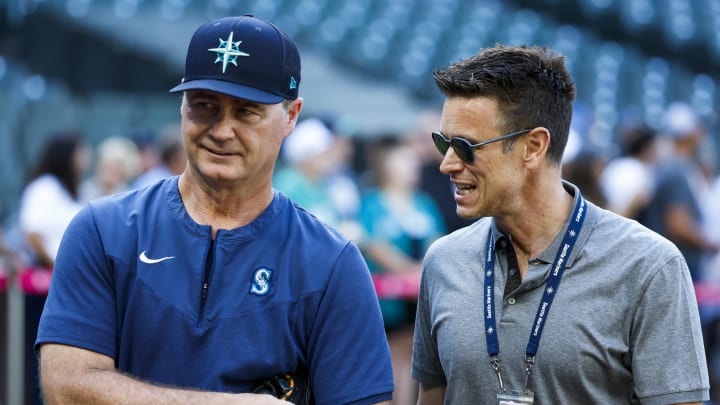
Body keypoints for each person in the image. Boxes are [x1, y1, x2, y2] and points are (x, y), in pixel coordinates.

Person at [36, 15, 393, 405]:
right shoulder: (104, 230)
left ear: (290, 116)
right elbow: (66, 389)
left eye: (246, 112)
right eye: (205, 106)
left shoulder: (330, 263)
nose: (222, 130)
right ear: (182, 108)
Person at [411, 44, 709, 404]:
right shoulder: (443, 260)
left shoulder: (648, 265)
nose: (447, 163)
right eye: (443, 143)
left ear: (533, 146)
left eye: (465, 146)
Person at [17, 130, 89, 405]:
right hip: (41, 287)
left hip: (64, 285)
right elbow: (32, 233)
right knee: (41, 351)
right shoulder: (44, 187)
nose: (85, 157)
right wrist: (58, 266)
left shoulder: (70, 189)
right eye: (80, 151)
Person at [639, 102, 720, 282]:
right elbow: (678, 225)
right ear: (688, 134)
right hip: (679, 265)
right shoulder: (676, 170)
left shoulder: (672, 166)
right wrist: (711, 245)